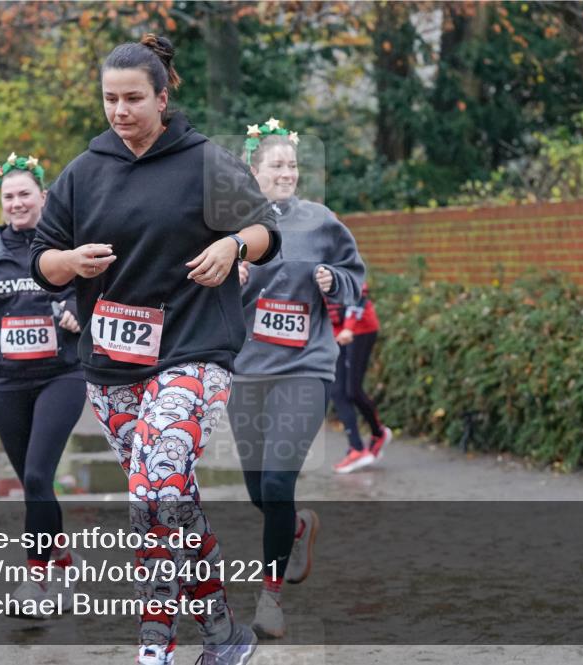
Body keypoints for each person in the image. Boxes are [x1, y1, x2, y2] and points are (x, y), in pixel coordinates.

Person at [30, 34, 280, 665]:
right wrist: (68, 261)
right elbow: (42, 260)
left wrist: (233, 248)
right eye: (110, 99)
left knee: (153, 492)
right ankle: (224, 634)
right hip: (113, 366)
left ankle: (154, 647)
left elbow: (264, 229)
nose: (120, 111)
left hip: (195, 350)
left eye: (134, 98)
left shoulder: (204, 162)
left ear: (162, 98)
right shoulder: (84, 172)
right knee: (173, 500)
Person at [229, 118, 365, 639]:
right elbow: (199, 286)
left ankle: (270, 599)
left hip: (306, 366)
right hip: (246, 370)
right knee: (262, 492)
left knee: (280, 479)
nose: (287, 172)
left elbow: (356, 276)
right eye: (276, 165)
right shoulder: (232, 225)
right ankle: (298, 526)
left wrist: (336, 281)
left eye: (292, 165)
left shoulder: (321, 221)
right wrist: (230, 278)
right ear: (253, 171)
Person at [0, 151, 85, 616]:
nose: (16, 203)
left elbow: (97, 300)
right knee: (37, 487)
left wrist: (78, 318)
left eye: (24, 194)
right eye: (8, 196)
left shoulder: (66, 247)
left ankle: (34, 584)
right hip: (6, 382)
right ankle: (66, 570)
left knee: (35, 476)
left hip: (61, 376)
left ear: (43, 196)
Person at [327, 283, 393, 473]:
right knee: (337, 391)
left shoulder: (342, 255)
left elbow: (358, 293)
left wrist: (349, 327)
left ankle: (378, 433)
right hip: (336, 331)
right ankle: (356, 448)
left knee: (353, 390)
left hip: (360, 328)